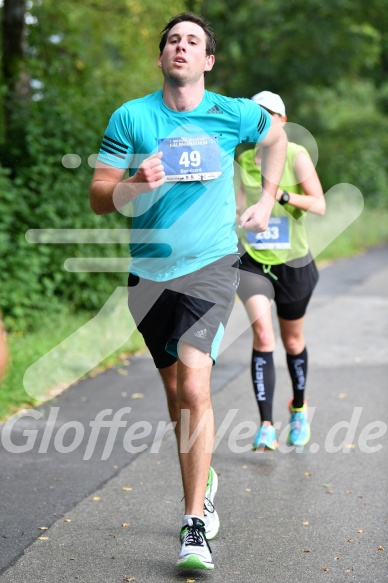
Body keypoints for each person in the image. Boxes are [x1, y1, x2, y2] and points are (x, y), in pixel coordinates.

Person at [89, 14, 287, 571]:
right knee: (178, 396)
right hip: (149, 277)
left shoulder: (232, 113)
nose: (181, 47)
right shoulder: (132, 117)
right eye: (172, 40)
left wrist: (269, 199)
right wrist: (133, 184)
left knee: (196, 385)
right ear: (161, 58)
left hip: (211, 266)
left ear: (207, 61)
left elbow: (277, 136)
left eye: (192, 41)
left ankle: (193, 523)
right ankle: (206, 473)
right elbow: (99, 197)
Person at [235, 90, 326, 452]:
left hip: (294, 262)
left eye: (267, 115)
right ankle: (266, 425)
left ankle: (299, 410)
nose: (262, 121)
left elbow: (318, 204)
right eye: (255, 116)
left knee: (291, 341)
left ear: (282, 120)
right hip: (255, 260)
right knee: (263, 336)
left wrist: (280, 197)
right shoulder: (245, 160)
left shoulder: (297, 156)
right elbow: (241, 205)